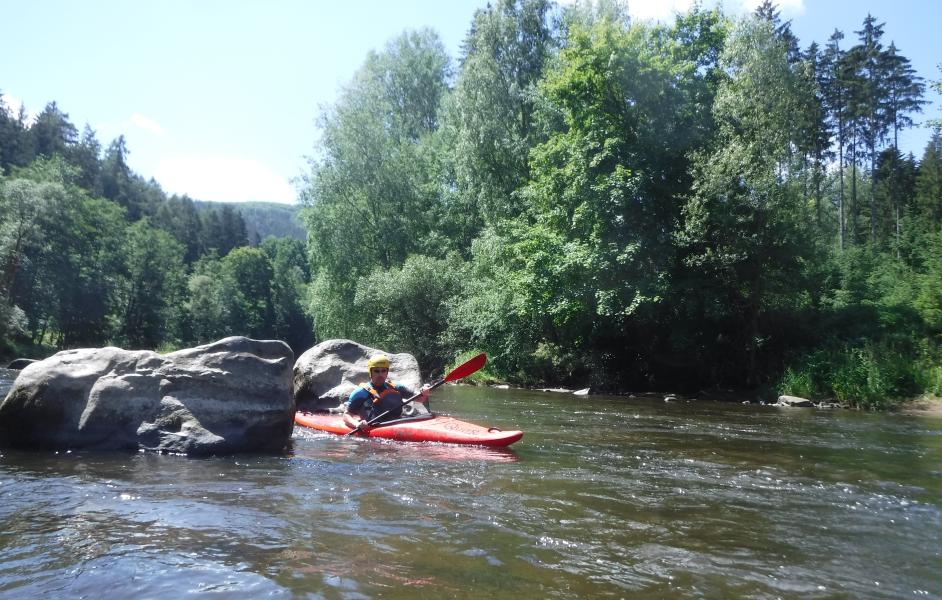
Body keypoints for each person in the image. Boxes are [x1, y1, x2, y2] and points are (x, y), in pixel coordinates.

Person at [342, 355, 430, 432]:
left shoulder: (396, 387)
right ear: (371, 372)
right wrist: (356, 424)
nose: (380, 374)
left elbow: (420, 399)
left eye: (383, 371)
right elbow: (346, 415)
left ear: (387, 372)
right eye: (376, 371)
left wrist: (424, 392)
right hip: (374, 427)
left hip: (397, 424)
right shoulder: (360, 393)